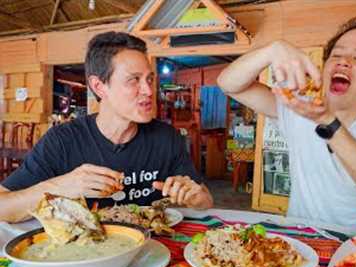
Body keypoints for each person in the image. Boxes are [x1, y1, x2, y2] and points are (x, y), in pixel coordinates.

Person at [218, 17, 356, 233]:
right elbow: (229, 84)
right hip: (300, 240)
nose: (343, 61)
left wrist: (327, 121)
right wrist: (272, 50)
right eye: (336, 55)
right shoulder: (300, 107)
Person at [0, 31, 213, 223]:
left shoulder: (166, 137)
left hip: (149, 251)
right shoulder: (63, 140)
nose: (148, 91)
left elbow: (206, 200)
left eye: (149, 79)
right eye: (133, 80)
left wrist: (194, 197)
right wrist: (60, 187)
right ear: (99, 86)